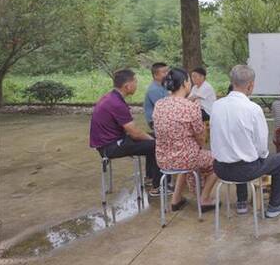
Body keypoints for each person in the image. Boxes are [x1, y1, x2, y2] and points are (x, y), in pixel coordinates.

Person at [211, 65, 280, 218]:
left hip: (220, 168)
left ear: (232, 82)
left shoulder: (216, 106)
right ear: (250, 85)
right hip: (244, 170)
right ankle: (276, 205)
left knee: (239, 151)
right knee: (279, 159)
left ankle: (242, 201)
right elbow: (262, 148)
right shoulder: (253, 109)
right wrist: (261, 156)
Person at [153, 68, 219, 212]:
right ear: (184, 83)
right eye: (189, 79)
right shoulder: (191, 107)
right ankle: (204, 199)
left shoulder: (159, 105)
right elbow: (201, 137)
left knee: (186, 156)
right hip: (186, 158)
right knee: (219, 160)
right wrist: (199, 146)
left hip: (163, 159)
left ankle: (176, 199)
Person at [90, 69, 164, 196]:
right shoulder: (116, 103)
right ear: (127, 86)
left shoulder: (111, 96)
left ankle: (151, 178)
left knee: (155, 138)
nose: (137, 84)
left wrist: (152, 138)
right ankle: (158, 187)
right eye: (135, 82)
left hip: (113, 141)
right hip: (110, 147)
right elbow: (135, 133)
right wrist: (153, 140)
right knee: (158, 144)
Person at [144, 62, 169, 129]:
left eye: (167, 71)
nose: (167, 74)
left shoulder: (163, 86)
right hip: (155, 122)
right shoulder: (154, 89)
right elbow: (165, 107)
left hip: (164, 118)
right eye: (164, 72)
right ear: (155, 75)